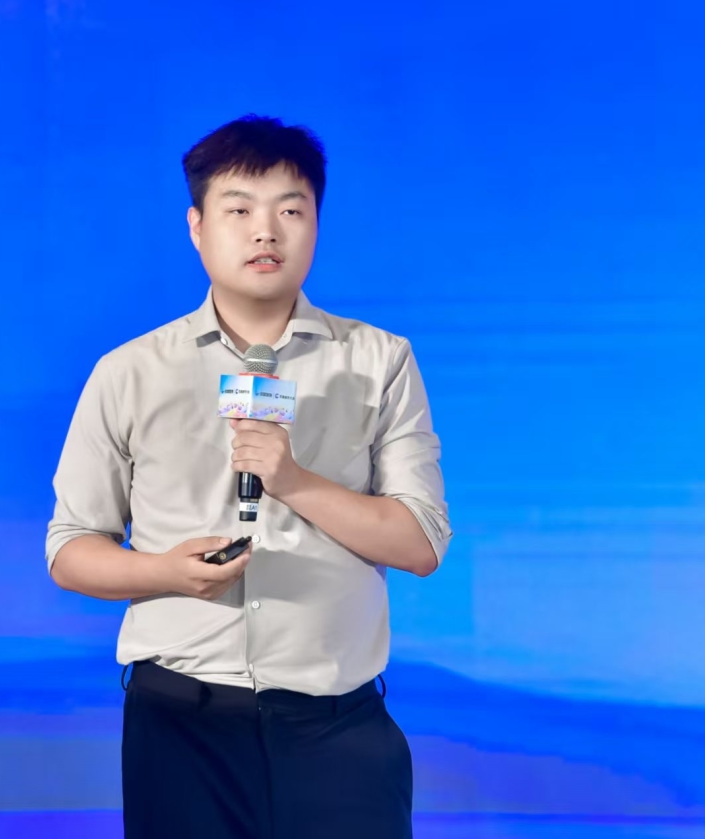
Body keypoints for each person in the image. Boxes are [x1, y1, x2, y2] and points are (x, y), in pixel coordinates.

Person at [45, 114, 452, 839]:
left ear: (316, 225)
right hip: (182, 725)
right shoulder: (130, 371)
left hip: (338, 729)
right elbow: (70, 549)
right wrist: (163, 572)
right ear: (197, 227)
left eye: (290, 211)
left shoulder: (379, 360)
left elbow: (420, 543)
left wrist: (291, 479)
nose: (265, 232)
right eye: (239, 210)